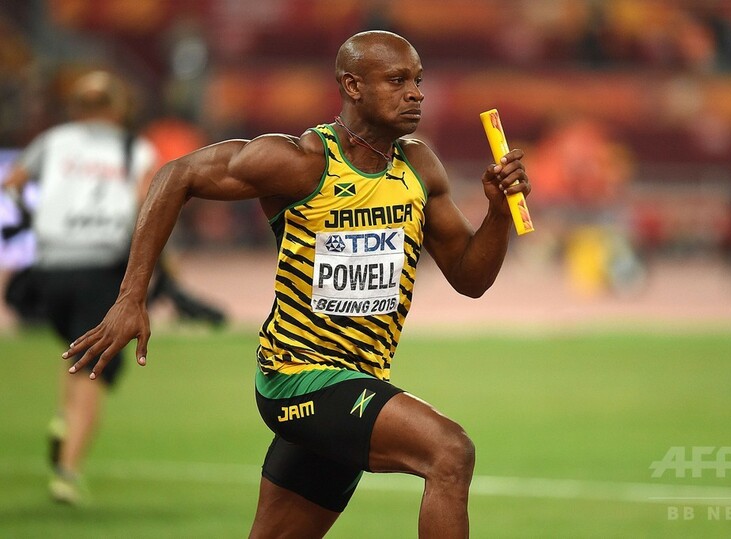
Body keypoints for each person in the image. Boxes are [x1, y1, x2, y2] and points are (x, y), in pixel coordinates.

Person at [64, 31, 531, 538]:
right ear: (352, 86)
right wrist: (131, 298)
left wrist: (497, 213)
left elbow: (470, 277)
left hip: (358, 380)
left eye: (418, 80)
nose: (416, 93)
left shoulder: (419, 168)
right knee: (450, 452)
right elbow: (176, 175)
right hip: (296, 377)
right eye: (398, 81)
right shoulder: (302, 162)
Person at [2, 70, 158, 504]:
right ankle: (67, 471)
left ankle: (63, 417)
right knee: (95, 366)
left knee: (75, 345)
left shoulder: (54, 141)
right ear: (119, 106)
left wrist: (30, 218)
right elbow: (148, 205)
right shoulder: (135, 148)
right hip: (100, 266)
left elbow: (12, 185)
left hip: (49, 267)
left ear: (76, 106)